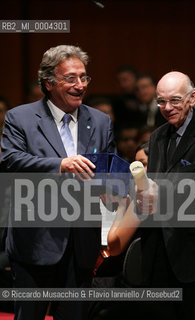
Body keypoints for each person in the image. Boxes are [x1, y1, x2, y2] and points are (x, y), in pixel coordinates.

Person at [1, 45, 116, 320]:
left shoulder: (100, 121)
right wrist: (59, 165)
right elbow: (10, 161)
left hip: (82, 245)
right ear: (49, 83)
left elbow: (110, 168)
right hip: (36, 241)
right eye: (71, 78)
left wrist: (112, 188)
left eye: (84, 77)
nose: (80, 85)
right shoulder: (21, 117)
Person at [138, 71, 195, 319]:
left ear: (192, 98)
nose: (167, 108)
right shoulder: (158, 136)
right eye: (161, 101)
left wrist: (163, 191)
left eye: (175, 100)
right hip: (159, 255)